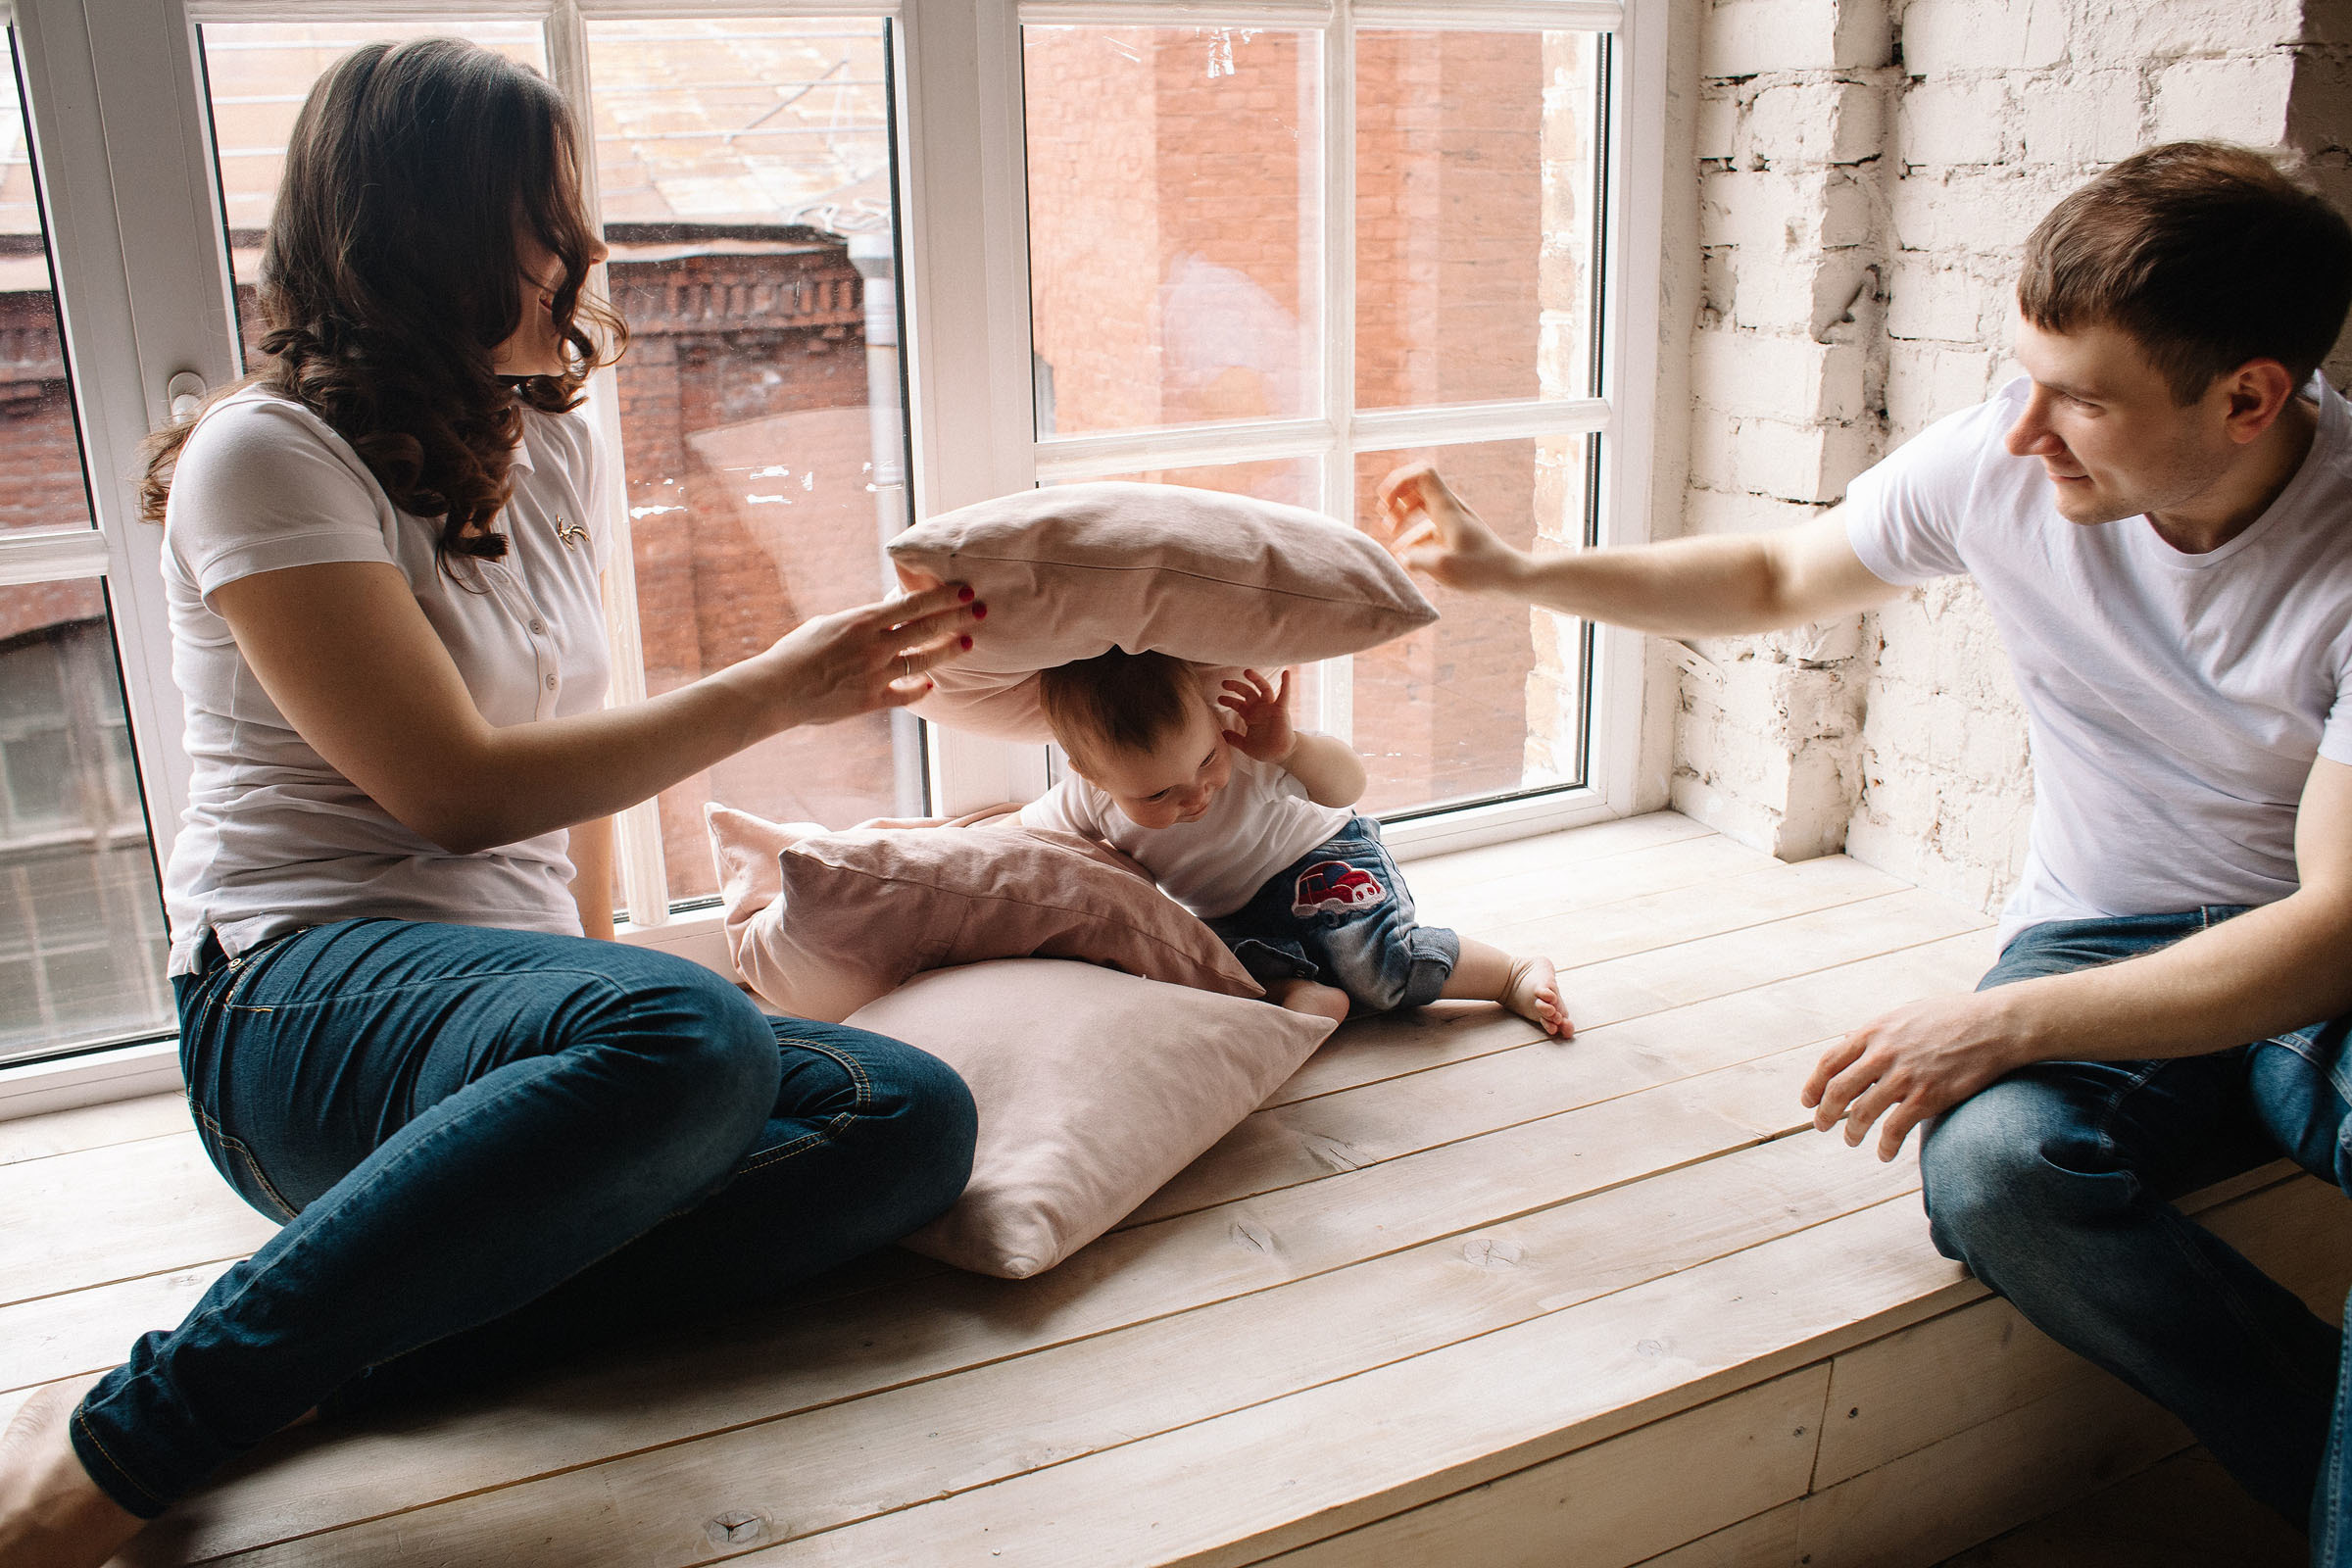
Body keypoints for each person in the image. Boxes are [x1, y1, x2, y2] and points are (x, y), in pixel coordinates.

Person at [0, 39, 989, 1568]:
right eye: (545, 214)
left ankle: (336, 1360)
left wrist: (612, 980)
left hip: (500, 1027)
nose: (585, 252)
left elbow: (573, 763)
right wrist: (780, 693)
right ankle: (121, 1446)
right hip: (296, 1007)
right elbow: (453, 794)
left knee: (905, 1114)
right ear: (422, 229)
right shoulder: (265, 454)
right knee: (693, 1039)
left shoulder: (552, 446)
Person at [1374, 140, 2352, 1554]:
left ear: (2251, 398)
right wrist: (1522, 574)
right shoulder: (2005, 462)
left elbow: (2330, 931)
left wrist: (1993, 1020)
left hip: (2311, 957)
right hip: (2107, 928)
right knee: (1996, 1175)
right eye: (2023, 377)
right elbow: (1779, 573)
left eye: (2081, 398)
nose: (2024, 430)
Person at [1014, 650, 1569, 1034]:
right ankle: (1302, 993)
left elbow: (1349, 786)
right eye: (1159, 794)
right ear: (1089, 774)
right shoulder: (1085, 802)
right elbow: (1024, 839)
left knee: (1375, 968)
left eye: (1207, 759)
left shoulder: (1248, 745)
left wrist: (1290, 749)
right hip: (1232, 913)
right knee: (1203, 977)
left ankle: (1508, 974)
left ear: (1213, 722)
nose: (1197, 794)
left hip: (1320, 863)